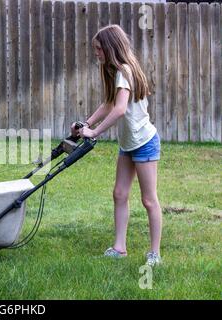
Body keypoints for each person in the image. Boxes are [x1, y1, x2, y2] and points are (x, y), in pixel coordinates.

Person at [71, 25, 162, 267]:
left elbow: (120, 110)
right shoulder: (115, 72)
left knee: (148, 200)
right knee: (119, 194)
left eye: (99, 49)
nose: (96, 53)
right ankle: (120, 248)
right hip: (128, 144)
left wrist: (95, 132)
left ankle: (154, 253)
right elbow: (110, 103)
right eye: (95, 49)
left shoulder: (124, 71)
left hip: (144, 143)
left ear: (110, 48)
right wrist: (85, 124)